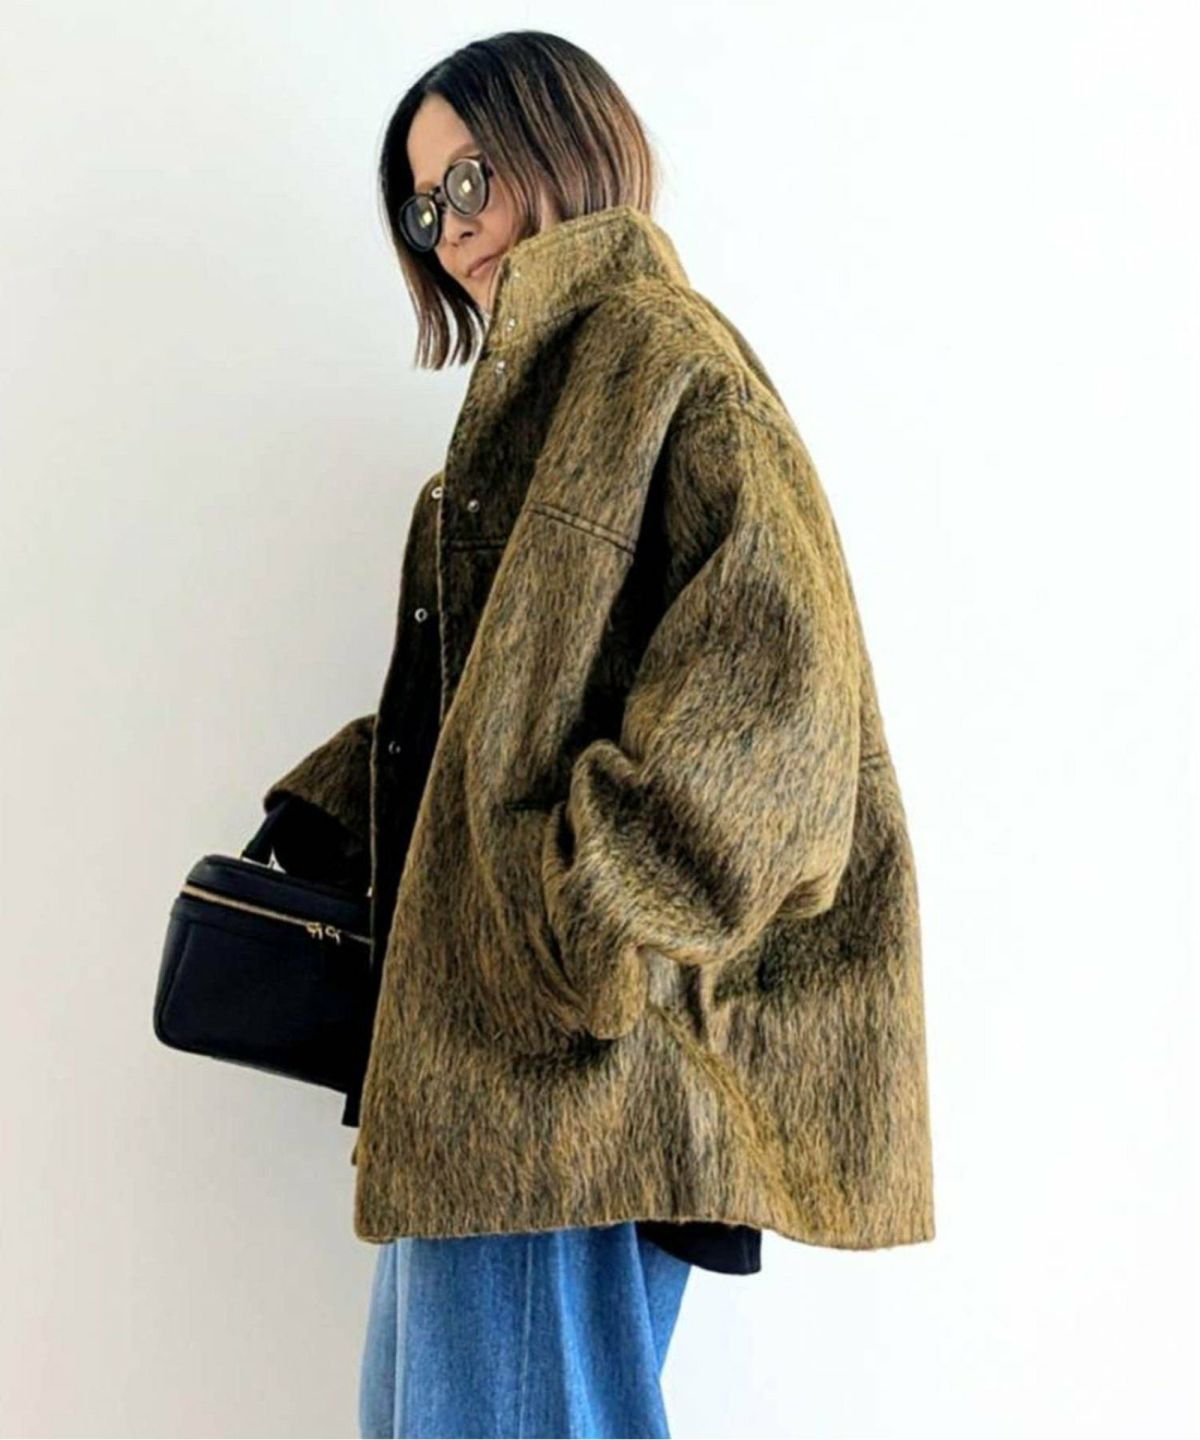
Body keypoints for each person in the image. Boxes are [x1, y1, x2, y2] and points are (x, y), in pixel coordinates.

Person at [262, 27, 934, 1440]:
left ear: (566, 145)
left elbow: (775, 711)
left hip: (560, 1075)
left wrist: (570, 926)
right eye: (424, 208)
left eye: (471, 179)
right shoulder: (531, 412)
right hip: (483, 1074)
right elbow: (495, 710)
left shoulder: (657, 361)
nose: (451, 231)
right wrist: (333, 807)